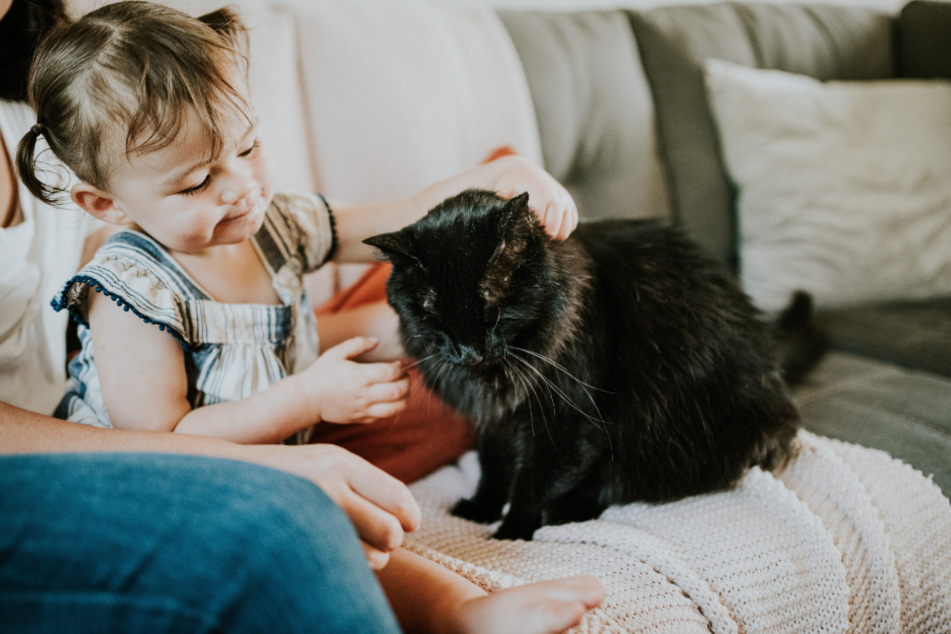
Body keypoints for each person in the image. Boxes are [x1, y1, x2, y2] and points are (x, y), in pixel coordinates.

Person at [7, 1, 603, 632]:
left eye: (248, 146)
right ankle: (454, 611)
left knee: (364, 486)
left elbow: (402, 216)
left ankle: (459, 607)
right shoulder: (130, 294)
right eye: (195, 182)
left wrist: (497, 178)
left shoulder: (274, 222)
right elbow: (166, 445)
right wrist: (309, 396)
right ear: (108, 204)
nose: (241, 187)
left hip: (265, 465)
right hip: (150, 489)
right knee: (320, 523)